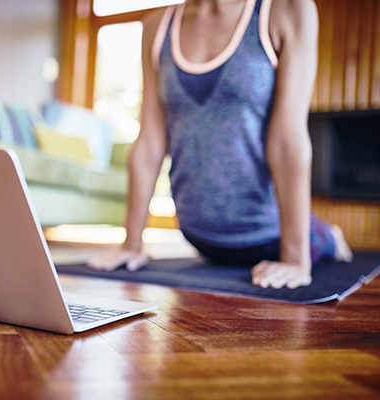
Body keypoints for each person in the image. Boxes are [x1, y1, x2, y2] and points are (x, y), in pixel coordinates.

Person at [87, 0, 353, 289]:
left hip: (270, 237)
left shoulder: (287, 10)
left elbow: (287, 142)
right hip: (198, 236)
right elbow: (150, 141)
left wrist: (296, 260)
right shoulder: (156, 26)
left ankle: (329, 235)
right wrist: (132, 243)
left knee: (320, 239)